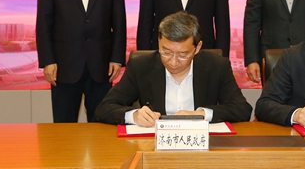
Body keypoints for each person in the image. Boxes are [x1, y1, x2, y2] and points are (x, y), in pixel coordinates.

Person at [36, 0, 126, 123]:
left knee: (102, 123)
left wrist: (117, 58)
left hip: (101, 65)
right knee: (63, 124)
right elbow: (44, 22)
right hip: (63, 65)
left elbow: (119, 20)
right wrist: (48, 61)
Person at [96, 11, 252, 126]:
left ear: (197, 48)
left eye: (183, 55)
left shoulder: (217, 66)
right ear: (159, 42)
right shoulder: (140, 66)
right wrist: (134, 116)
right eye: (166, 52)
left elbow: (242, 109)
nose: (173, 62)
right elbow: (105, 108)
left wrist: (201, 114)